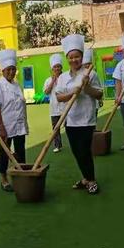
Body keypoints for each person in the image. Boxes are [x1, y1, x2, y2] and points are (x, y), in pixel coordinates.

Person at [55, 34, 103, 195]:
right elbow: (59, 97)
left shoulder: (90, 74)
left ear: (81, 57)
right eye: (71, 57)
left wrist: (87, 88)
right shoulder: (62, 78)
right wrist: (72, 93)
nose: (74, 60)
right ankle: (85, 179)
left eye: (77, 57)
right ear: (67, 58)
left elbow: (99, 95)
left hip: (87, 119)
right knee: (76, 152)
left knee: (84, 151)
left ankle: (92, 180)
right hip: (70, 120)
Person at [0, 49, 28, 192]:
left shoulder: (17, 85)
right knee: (4, 152)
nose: (11, 72)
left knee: (20, 150)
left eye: (13, 69)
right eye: (8, 69)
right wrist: (1, 126)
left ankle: (21, 176)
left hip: (19, 125)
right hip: (6, 125)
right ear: (3, 70)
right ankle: (4, 178)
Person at [43, 53, 64, 153]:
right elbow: (46, 92)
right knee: (56, 128)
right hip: (54, 108)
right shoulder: (48, 80)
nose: (57, 69)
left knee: (70, 125)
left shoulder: (65, 77)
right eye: (55, 67)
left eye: (59, 66)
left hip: (65, 107)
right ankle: (58, 145)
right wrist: (53, 81)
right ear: (52, 68)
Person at [82, 48, 103, 116]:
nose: (87, 65)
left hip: (93, 102)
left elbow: (98, 88)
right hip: (83, 103)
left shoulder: (94, 73)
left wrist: (100, 100)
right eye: (86, 64)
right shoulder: (80, 73)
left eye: (89, 63)